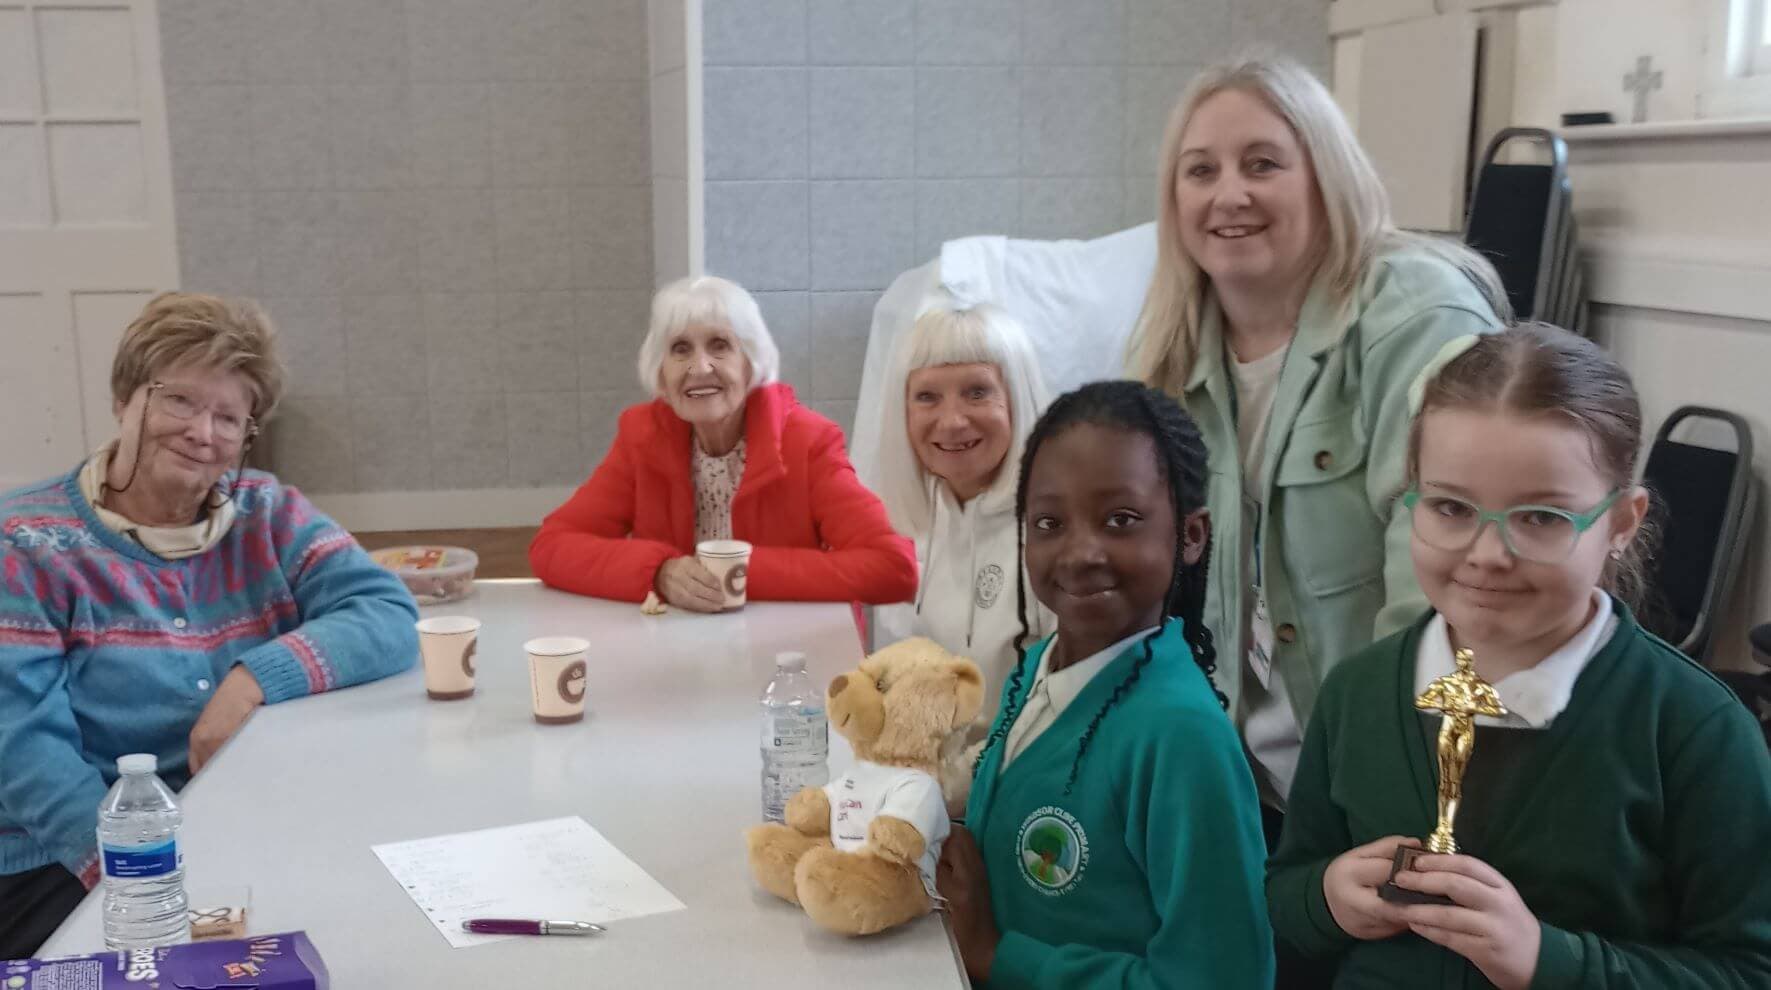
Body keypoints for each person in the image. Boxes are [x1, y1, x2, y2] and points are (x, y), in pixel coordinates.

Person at [1268, 325, 1771, 987]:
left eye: (1540, 518)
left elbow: (1745, 969)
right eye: (1450, 507)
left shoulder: (1693, 729)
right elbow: (1282, 897)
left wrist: (1548, 961)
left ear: (1621, 523)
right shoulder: (1356, 692)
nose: (1485, 554)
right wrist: (1323, 898)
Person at [1125, 53, 1509, 831]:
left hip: (1389, 779)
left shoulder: (1415, 315)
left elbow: (1443, 586)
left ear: (1324, 175)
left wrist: (1374, 788)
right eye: (1200, 171)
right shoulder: (1171, 351)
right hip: (1249, 783)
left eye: (1261, 163)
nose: (1228, 194)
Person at [0, 292, 418, 959]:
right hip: (63, 857)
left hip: (236, 824)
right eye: (181, 401)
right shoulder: (25, 540)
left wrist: (250, 681)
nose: (204, 432)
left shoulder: (266, 512)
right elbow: (25, 757)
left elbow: (386, 611)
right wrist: (148, 879)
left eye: (231, 417)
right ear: (123, 400)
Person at [936, 381, 1272, 988]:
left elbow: (1223, 976)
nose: (1081, 551)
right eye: (1049, 522)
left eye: (1121, 519)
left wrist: (994, 954)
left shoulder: (1181, 737)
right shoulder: (1037, 666)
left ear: (1190, 535)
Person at [530, 275, 916, 609]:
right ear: (660, 372)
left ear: (751, 361)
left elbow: (893, 567)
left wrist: (734, 572)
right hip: (673, 645)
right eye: (680, 349)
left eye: (719, 345)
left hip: (785, 652)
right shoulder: (641, 437)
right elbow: (552, 546)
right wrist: (660, 572)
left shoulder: (808, 441)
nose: (700, 368)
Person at [871, 302, 1053, 808]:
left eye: (977, 391)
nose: (951, 421)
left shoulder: (1052, 532)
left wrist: (947, 790)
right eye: (927, 397)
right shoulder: (935, 509)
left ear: (1016, 399)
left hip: (1020, 800)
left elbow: (1063, 709)